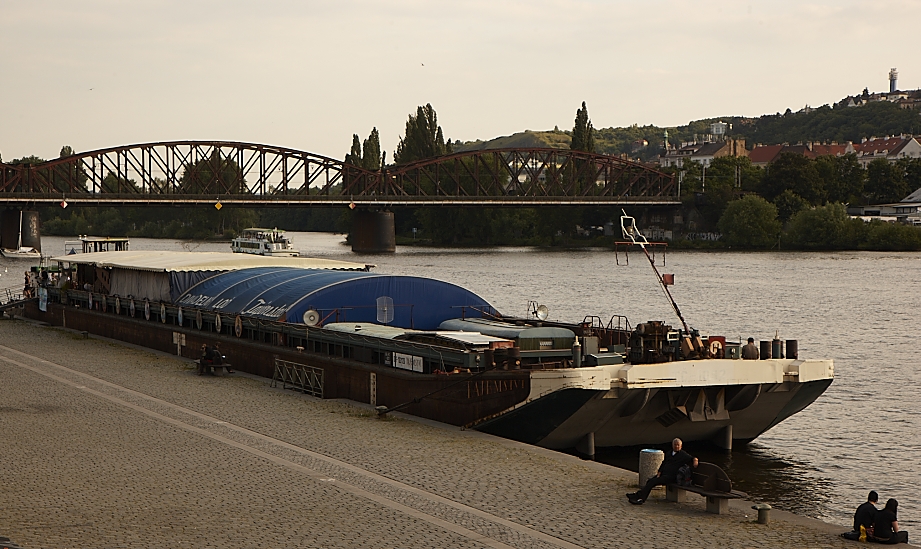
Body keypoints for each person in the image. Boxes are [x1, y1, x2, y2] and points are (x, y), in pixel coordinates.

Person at [626, 438, 698, 505]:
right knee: (650, 481)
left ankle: (640, 498)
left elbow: (692, 458)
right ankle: (638, 496)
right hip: (664, 474)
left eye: (678, 445)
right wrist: (659, 472)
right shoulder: (669, 453)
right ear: (672, 445)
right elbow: (663, 463)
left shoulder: (683, 455)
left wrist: (695, 461)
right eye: (675, 445)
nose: (676, 446)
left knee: (653, 482)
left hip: (671, 477)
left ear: (681, 446)